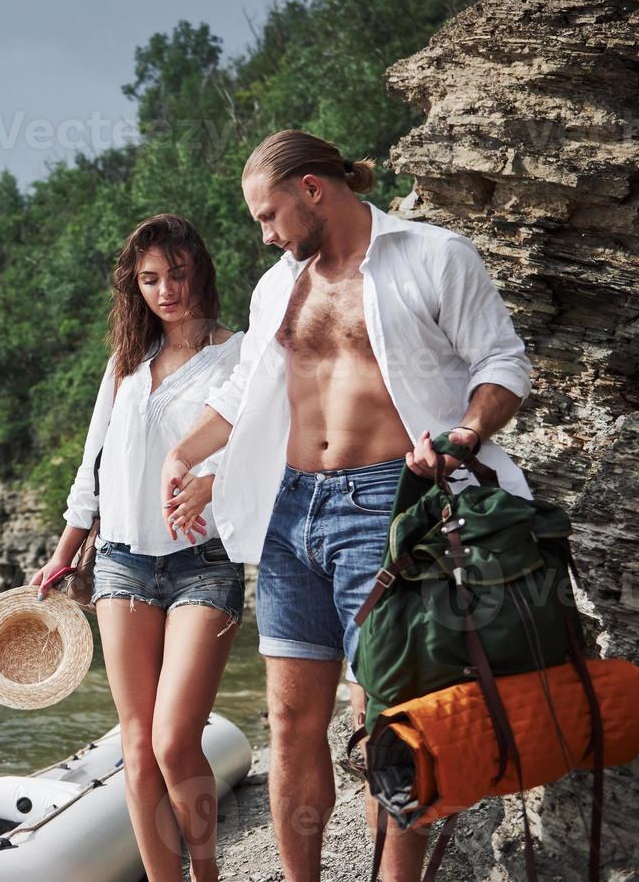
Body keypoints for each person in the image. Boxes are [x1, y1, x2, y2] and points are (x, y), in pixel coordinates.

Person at [161, 130, 534, 882]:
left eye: (269, 217)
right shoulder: (278, 286)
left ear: (311, 190)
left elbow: (502, 361)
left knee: (390, 724)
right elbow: (244, 394)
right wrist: (185, 452)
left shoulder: (433, 257)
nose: (264, 235)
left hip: (388, 507)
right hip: (288, 511)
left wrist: (463, 435)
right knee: (293, 723)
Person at [29, 213, 245, 882]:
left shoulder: (237, 353)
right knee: (136, 743)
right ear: (135, 287)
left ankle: (205, 876)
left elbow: (264, 452)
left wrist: (210, 484)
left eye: (176, 274)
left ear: (198, 271)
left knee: (176, 738)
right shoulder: (126, 363)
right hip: (120, 562)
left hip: (203, 565)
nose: (165, 289)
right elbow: (91, 467)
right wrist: (66, 550)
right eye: (150, 279)